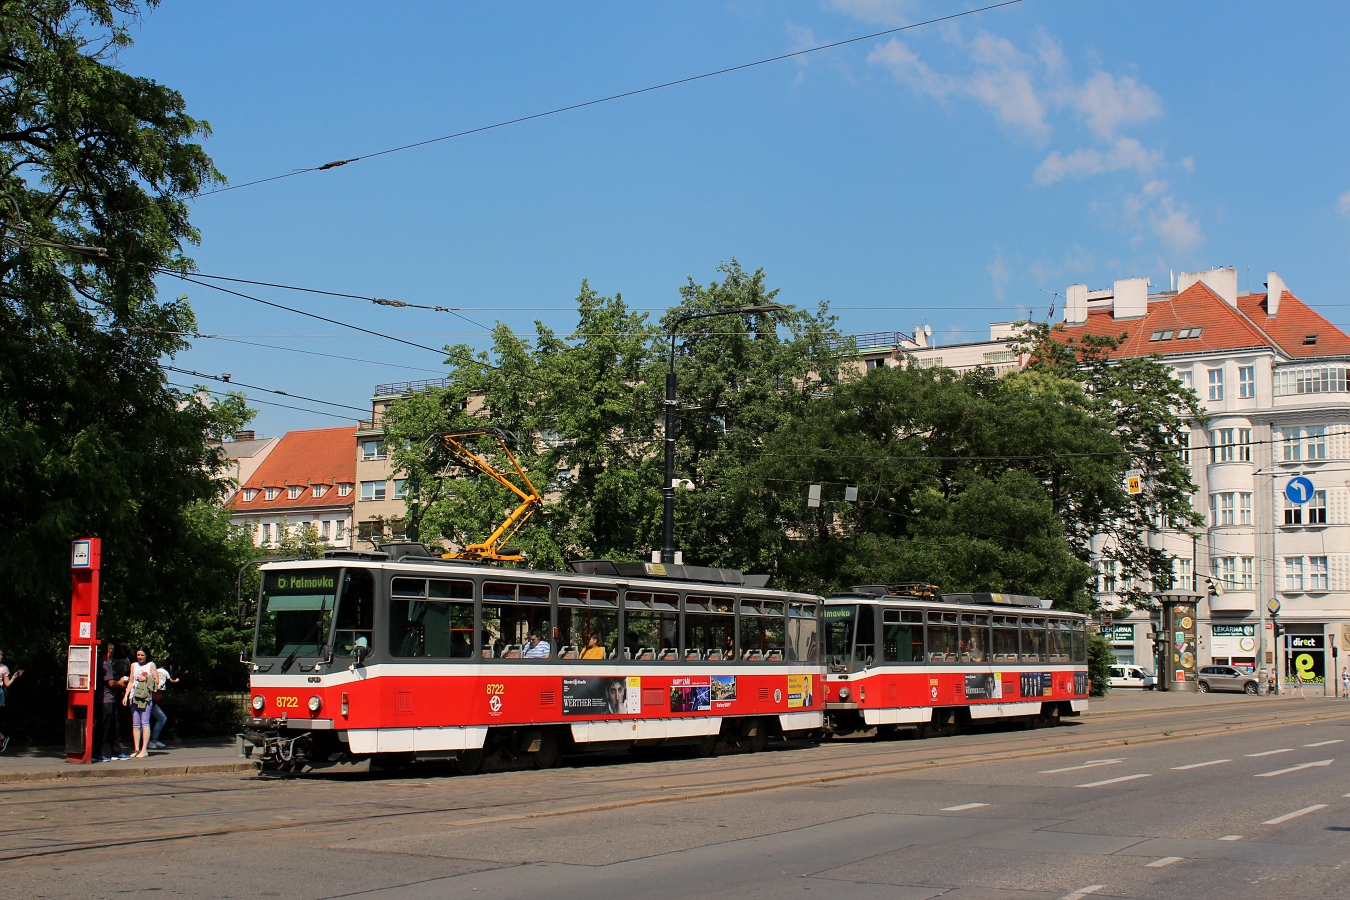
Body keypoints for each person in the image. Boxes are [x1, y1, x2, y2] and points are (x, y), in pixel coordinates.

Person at [93, 642, 127, 761]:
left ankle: (116, 751)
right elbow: (110, 682)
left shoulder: (97, 662)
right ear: (110, 651)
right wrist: (120, 683)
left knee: (112, 726)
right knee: (104, 727)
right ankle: (97, 752)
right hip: (106, 699)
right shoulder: (105, 664)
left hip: (102, 698)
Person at [122, 648, 158, 758]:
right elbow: (131, 681)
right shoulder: (133, 665)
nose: (140, 657)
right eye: (138, 655)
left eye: (142, 655)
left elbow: (156, 681)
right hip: (134, 696)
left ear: (146, 655)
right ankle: (137, 748)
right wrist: (126, 695)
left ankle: (144, 750)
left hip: (146, 697)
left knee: (145, 722)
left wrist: (146, 678)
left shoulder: (151, 665)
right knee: (136, 723)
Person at [148, 660, 179, 750]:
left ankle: (153, 740)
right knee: (145, 721)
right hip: (155, 694)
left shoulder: (155, 671)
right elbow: (170, 680)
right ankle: (149, 741)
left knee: (159, 718)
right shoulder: (164, 671)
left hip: (153, 695)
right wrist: (176, 680)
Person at [0, 648, 23, 754]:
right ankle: (2, 738)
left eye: (1, 654)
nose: (0, 656)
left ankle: (2, 738)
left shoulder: (4, 668)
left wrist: (14, 677)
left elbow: (7, 684)